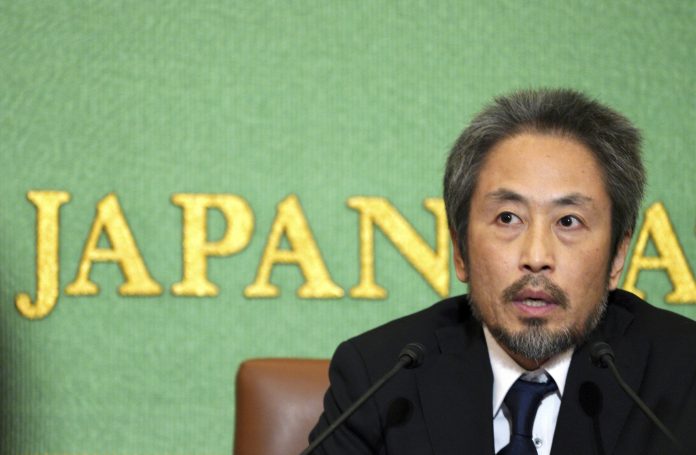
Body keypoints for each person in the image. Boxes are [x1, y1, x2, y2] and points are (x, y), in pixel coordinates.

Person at [308, 88, 696, 454]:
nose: (536, 256)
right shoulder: (380, 376)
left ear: (618, 256)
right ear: (460, 249)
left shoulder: (684, 373)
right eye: (508, 218)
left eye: (569, 221)